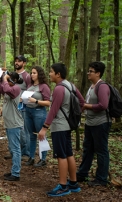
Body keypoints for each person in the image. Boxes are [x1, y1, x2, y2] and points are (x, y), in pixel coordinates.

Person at [38, 63, 84, 197]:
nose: (50, 74)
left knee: (61, 155)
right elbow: (82, 102)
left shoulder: (59, 89)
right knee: (69, 153)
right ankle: (73, 183)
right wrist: (73, 116)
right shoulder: (70, 85)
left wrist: (44, 128)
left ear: (58, 74)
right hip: (67, 126)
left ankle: (63, 186)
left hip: (59, 127)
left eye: (51, 72)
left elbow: (53, 110)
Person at [77, 61, 111, 186]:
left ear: (98, 73)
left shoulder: (102, 86)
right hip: (90, 123)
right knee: (88, 149)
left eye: (91, 71)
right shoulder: (92, 86)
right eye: (89, 70)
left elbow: (103, 105)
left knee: (101, 151)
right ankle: (82, 173)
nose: (88, 73)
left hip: (101, 123)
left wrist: (86, 106)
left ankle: (101, 179)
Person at [0, 71, 24, 181]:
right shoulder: (9, 87)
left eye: (10, 78)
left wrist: (5, 79)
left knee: (15, 148)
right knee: (12, 148)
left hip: (14, 123)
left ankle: (16, 173)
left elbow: (6, 89)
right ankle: (14, 170)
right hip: (9, 122)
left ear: (14, 80)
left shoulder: (16, 88)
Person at [24, 66, 51, 167]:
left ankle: (43, 159)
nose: (32, 75)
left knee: (41, 135)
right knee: (31, 135)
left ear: (39, 74)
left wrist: (35, 101)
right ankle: (31, 157)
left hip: (39, 112)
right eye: (31, 73)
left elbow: (48, 102)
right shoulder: (30, 85)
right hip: (28, 111)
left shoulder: (44, 86)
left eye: (34, 73)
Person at [8, 55, 31, 160]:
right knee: (12, 128)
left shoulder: (27, 76)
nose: (17, 63)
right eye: (16, 61)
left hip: (22, 107)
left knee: (23, 129)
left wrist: (23, 99)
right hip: (11, 107)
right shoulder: (12, 75)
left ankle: (25, 152)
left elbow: (30, 91)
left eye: (19, 61)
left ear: (24, 63)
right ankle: (14, 151)